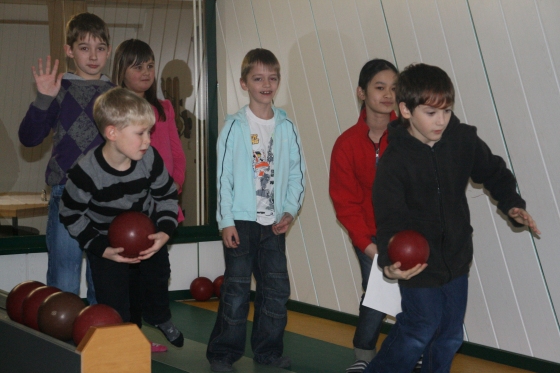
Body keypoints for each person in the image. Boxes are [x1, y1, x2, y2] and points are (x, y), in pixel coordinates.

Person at [365, 63, 540, 373]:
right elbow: (388, 220)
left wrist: (512, 204)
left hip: (457, 258)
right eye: (431, 114)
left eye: (446, 111)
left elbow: (494, 172)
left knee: (449, 336)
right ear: (405, 110)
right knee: (420, 328)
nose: (441, 120)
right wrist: (390, 261)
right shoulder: (395, 162)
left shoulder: (462, 140)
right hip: (417, 262)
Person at [59, 87, 184, 350]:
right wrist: (101, 249)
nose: (148, 141)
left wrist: (163, 231)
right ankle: (129, 341)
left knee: (157, 275)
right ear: (112, 133)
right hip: (106, 240)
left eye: (149, 132)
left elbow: (167, 195)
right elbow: (70, 214)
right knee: (115, 298)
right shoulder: (86, 173)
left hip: (145, 230)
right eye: (140, 133)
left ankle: (159, 317)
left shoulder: (149, 158)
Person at [206, 48, 306, 372]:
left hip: (274, 225)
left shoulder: (287, 126)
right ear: (244, 83)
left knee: (276, 291)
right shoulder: (234, 127)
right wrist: (226, 221)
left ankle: (268, 353)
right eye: (258, 78)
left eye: (272, 78)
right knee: (235, 292)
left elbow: (296, 173)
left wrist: (289, 211)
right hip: (242, 222)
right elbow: (223, 178)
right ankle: (223, 354)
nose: (266, 84)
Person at [18, 12, 114, 306]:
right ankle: (61, 348)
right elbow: (29, 138)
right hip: (66, 192)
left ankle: (101, 344)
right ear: (70, 51)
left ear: (108, 51)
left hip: (108, 197)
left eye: (100, 48)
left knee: (105, 280)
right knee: (64, 279)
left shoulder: (117, 94)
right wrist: (43, 99)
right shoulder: (58, 90)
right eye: (84, 48)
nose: (93, 56)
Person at [111, 39, 186, 350]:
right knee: (128, 278)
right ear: (122, 70)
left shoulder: (163, 108)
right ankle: (135, 335)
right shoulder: (114, 109)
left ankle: (160, 316)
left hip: (159, 205)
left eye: (150, 65)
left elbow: (176, 156)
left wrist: (172, 191)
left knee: (157, 270)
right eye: (137, 66)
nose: (146, 72)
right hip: (127, 208)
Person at [329, 59, 398, 373]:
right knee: (377, 292)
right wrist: (369, 246)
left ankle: (414, 347)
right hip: (368, 236)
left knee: (417, 294)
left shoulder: (410, 137)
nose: (388, 94)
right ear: (361, 92)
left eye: (394, 88)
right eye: (379, 87)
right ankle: (364, 354)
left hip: (408, 234)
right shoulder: (346, 144)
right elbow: (345, 203)